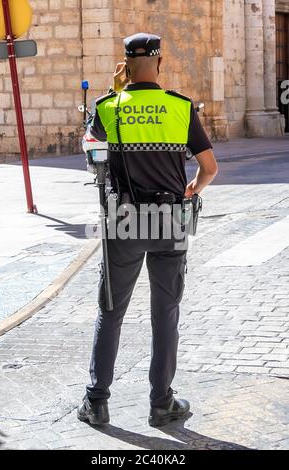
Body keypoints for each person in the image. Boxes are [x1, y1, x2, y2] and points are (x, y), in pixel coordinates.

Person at [78, 33, 218, 427]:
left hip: (123, 220)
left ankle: (97, 402)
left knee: (111, 311)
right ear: (158, 64)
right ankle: (162, 403)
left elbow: (90, 147)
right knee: (166, 312)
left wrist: (113, 91)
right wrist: (191, 190)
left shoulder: (108, 106)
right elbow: (209, 168)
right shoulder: (179, 107)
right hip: (170, 218)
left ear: (125, 63)